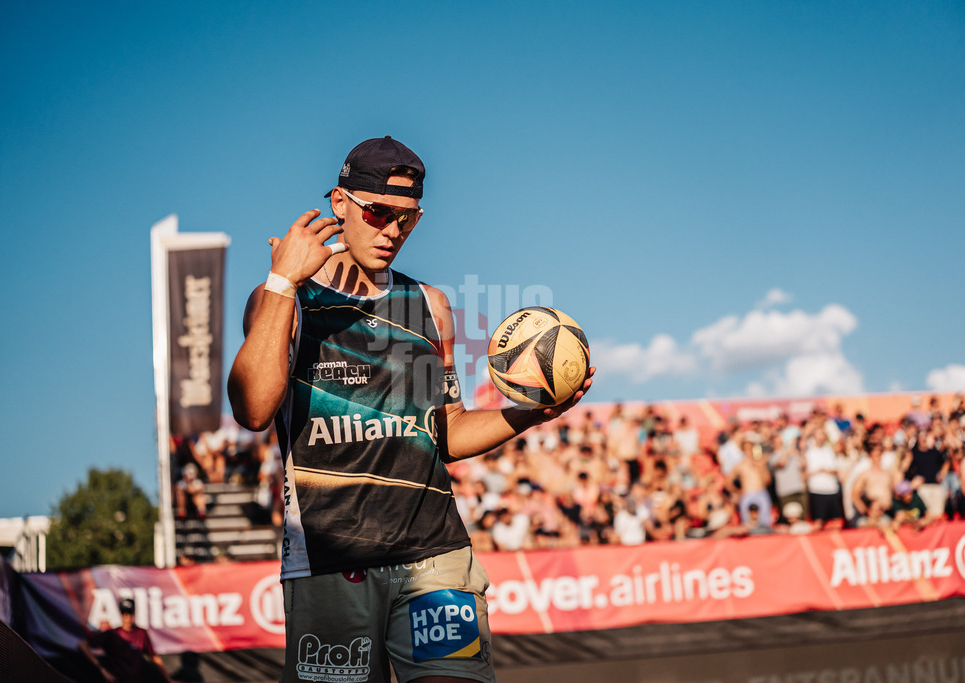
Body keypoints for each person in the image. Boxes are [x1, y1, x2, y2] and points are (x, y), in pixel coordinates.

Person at [227, 136, 593, 683]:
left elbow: (445, 433)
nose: (393, 230)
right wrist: (283, 283)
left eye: (408, 218)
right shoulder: (284, 300)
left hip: (435, 554)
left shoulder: (430, 306)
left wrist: (529, 414)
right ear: (340, 203)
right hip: (330, 558)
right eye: (379, 212)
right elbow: (253, 409)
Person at [78, 598, 172, 683]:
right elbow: (83, 645)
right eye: (124, 613)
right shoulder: (112, 634)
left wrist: (168, 680)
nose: (127, 617)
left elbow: (154, 658)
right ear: (121, 614)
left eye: (129, 613)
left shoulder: (141, 633)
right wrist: (102, 670)